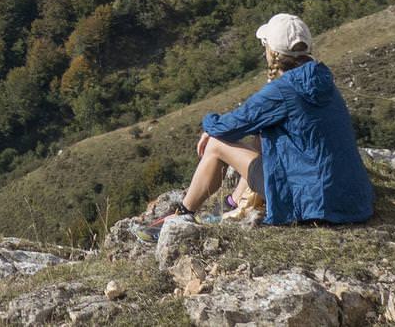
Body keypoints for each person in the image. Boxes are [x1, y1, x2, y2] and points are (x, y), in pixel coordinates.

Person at [155, 13, 374, 227]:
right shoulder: (323, 81)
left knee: (216, 144)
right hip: (353, 200)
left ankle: (180, 216)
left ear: (274, 53)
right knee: (263, 131)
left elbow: (228, 127)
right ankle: (234, 203)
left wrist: (208, 124)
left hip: (312, 202)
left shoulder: (282, 90)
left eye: (265, 46)